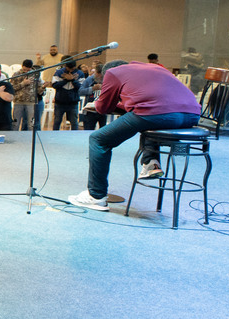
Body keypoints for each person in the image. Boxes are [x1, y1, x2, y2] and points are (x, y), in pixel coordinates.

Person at [69, 60, 202, 212]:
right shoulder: (156, 67)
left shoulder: (113, 73)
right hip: (192, 115)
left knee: (98, 139)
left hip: (157, 114)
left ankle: (96, 196)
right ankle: (151, 162)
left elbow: (104, 107)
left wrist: (99, 103)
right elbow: (157, 97)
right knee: (146, 119)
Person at [52, 61, 82, 130]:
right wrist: (66, 80)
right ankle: (53, 136)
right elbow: (55, 85)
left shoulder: (80, 74)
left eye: (72, 69)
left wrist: (72, 80)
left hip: (73, 102)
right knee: (57, 121)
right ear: (66, 66)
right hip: (60, 102)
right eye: (68, 69)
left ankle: (74, 138)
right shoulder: (58, 72)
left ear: (75, 67)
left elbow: (80, 88)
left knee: (74, 122)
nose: (70, 71)